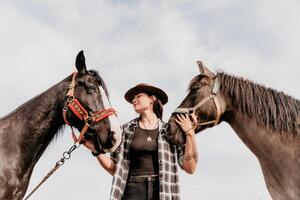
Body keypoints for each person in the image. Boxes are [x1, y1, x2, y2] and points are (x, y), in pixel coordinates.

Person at [83, 83, 198, 200]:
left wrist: (190, 134)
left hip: (163, 192)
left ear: (152, 99)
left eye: (139, 96)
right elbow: (115, 169)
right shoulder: (124, 130)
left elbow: (190, 168)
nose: (134, 100)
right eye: (133, 98)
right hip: (132, 191)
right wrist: (95, 150)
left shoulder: (169, 131)